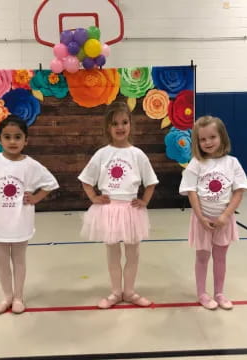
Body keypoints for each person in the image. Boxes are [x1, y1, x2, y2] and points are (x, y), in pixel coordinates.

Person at [0, 115, 59, 314]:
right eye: (7, 137)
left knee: (19, 259)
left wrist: (36, 198)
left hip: (20, 221)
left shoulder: (30, 165)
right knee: (0, 259)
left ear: (26, 140)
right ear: (0, 139)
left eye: (17, 137)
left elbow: (50, 183)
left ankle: (18, 296)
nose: (12, 141)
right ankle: (6, 296)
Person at [78, 102, 159, 309]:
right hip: (109, 210)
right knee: (113, 254)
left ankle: (130, 291)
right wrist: (94, 197)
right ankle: (115, 292)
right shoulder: (102, 154)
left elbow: (151, 182)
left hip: (131, 210)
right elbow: (86, 179)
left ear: (130, 125)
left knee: (133, 254)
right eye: (115, 123)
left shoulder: (137, 154)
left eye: (124, 122)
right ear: (108, 127)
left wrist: (145, 201)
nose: (120, 127)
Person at [179, 116, 247, 310]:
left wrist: (226, 215)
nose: (208, 142)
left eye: (212, 137)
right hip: (202, 220)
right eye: (203, 139)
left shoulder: (232, 163)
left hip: (224, 220)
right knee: (202, 257)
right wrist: (201, 217)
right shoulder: (196, 163)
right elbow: (191, 191)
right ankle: (202, 293)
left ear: (222, 137)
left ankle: (219, 292)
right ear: (197, 142)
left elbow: (239, 191)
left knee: (220, 257)